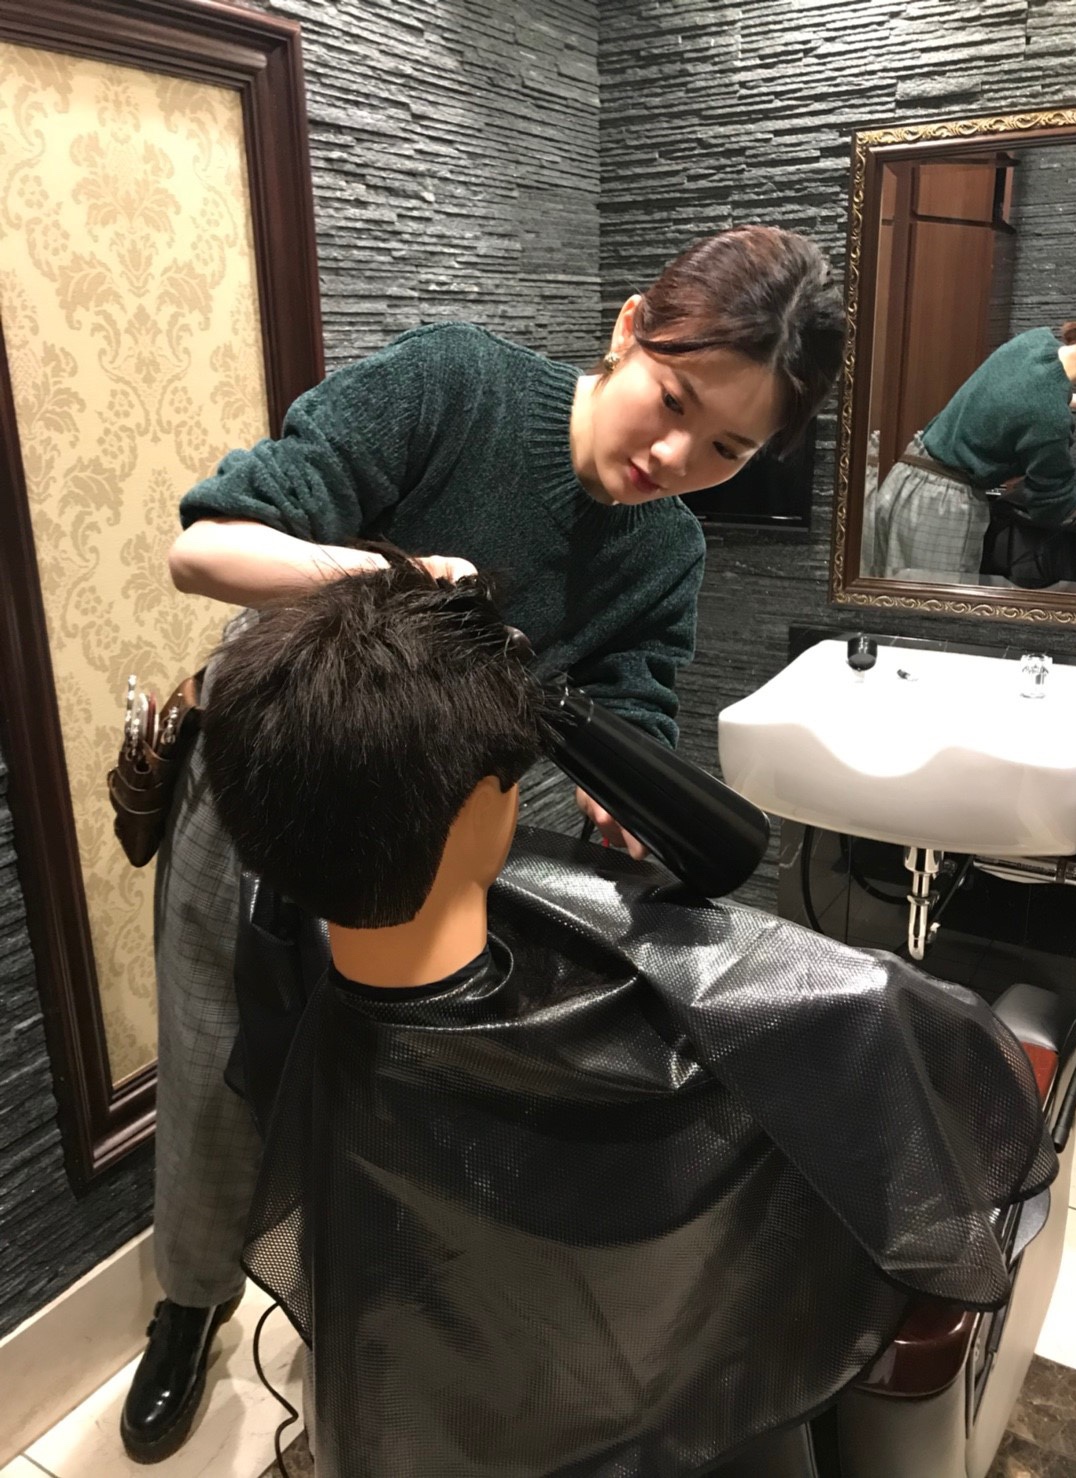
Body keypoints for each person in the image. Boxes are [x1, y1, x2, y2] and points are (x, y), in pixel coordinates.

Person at [121, 224, 846, 1462]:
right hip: (258, 789)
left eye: (726, 450)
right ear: (628, 328)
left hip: (422, 840)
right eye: (672, 401)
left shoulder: (665, 548)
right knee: (216, 1057)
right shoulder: (454, 385)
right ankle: (189, 1308)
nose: (674, 459)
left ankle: (362, 1320)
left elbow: (632, 698)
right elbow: (206, 547)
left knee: (386, 1085)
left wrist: (624, 796)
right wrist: (393, 576)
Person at [203, 560, 1054, 1478]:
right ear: (484, 802)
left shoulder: (299, 970)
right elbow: (940, 1085)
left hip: (428, 1396)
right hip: (661, 1395)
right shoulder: (778, 1011)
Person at [862, 313, 1076, 581]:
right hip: (942, 507)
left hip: (905, 480)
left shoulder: (1033, 342)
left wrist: (1074, 399)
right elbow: (1057, 507)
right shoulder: (1049, 418)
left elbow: (1015, 392)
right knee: (933, 606)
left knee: (887, 594)